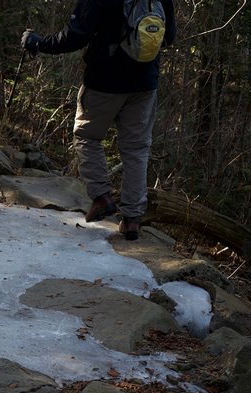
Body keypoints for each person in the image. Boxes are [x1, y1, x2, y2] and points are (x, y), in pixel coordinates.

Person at [21, 0, 176, 240]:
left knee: (86, 136)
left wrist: (37, 42)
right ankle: (132, 220)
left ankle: (102, 196)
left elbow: (74, 37)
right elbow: (169, 36)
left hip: (104, 82)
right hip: (145, 84)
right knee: (136, 150)